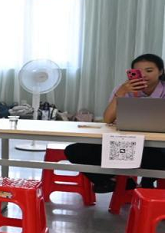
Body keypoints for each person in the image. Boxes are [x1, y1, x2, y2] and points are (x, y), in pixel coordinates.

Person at [65, 53, 165, 191]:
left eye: (149, 70)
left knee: (158, 158)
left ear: (160, 71)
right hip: (125, 142)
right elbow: (108, 119)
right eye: (138, 72)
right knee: (74, 151)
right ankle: (115, 183)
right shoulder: (123, 89)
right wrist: (121, 92)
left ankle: (147, 183)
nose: (143, 75)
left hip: (158, 145)